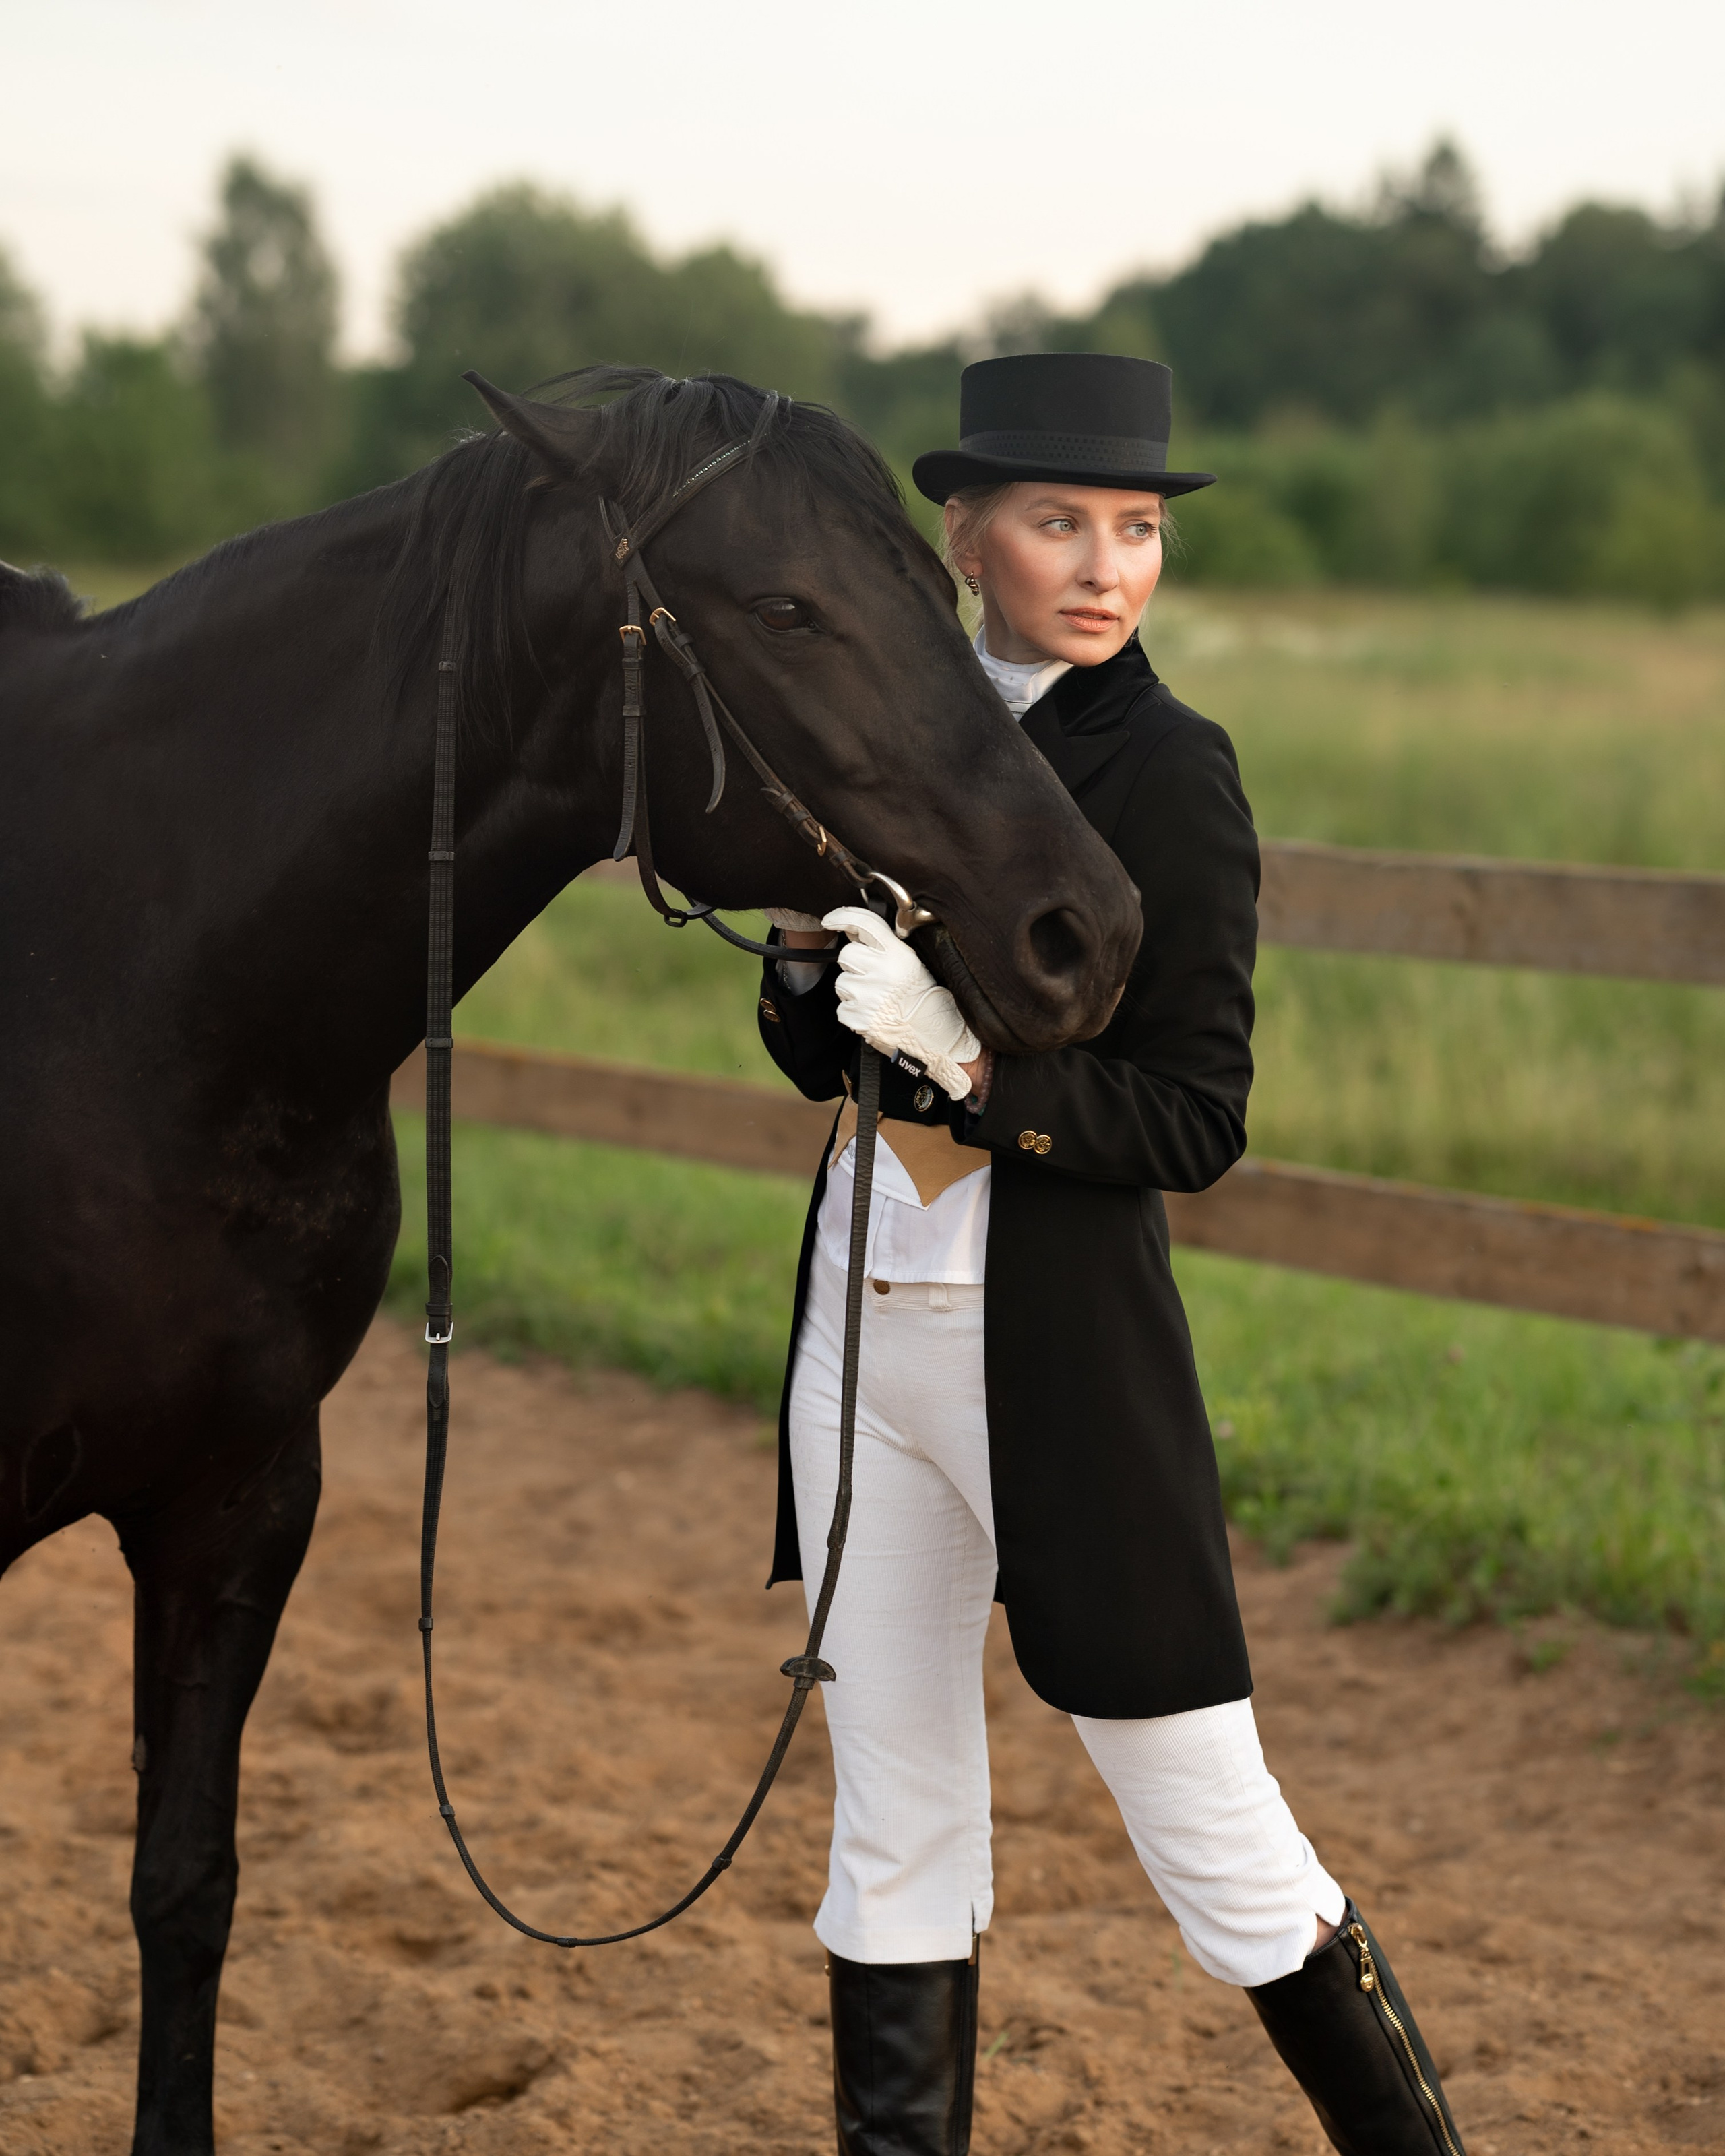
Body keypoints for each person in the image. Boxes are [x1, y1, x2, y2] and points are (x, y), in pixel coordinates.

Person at [757, 353, 1466, 2156]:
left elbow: (1196, 1120)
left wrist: (977, 1066)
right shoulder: (880, 734)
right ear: (965, 537)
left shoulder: (1167, 769)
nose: (1103, 565)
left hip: (1050, 1362)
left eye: (1135, 529)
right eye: (1061, 522)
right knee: (893, 1835)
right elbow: (827, 1053)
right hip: (859, 1336)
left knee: (1219, 1847)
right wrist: (807, 978)